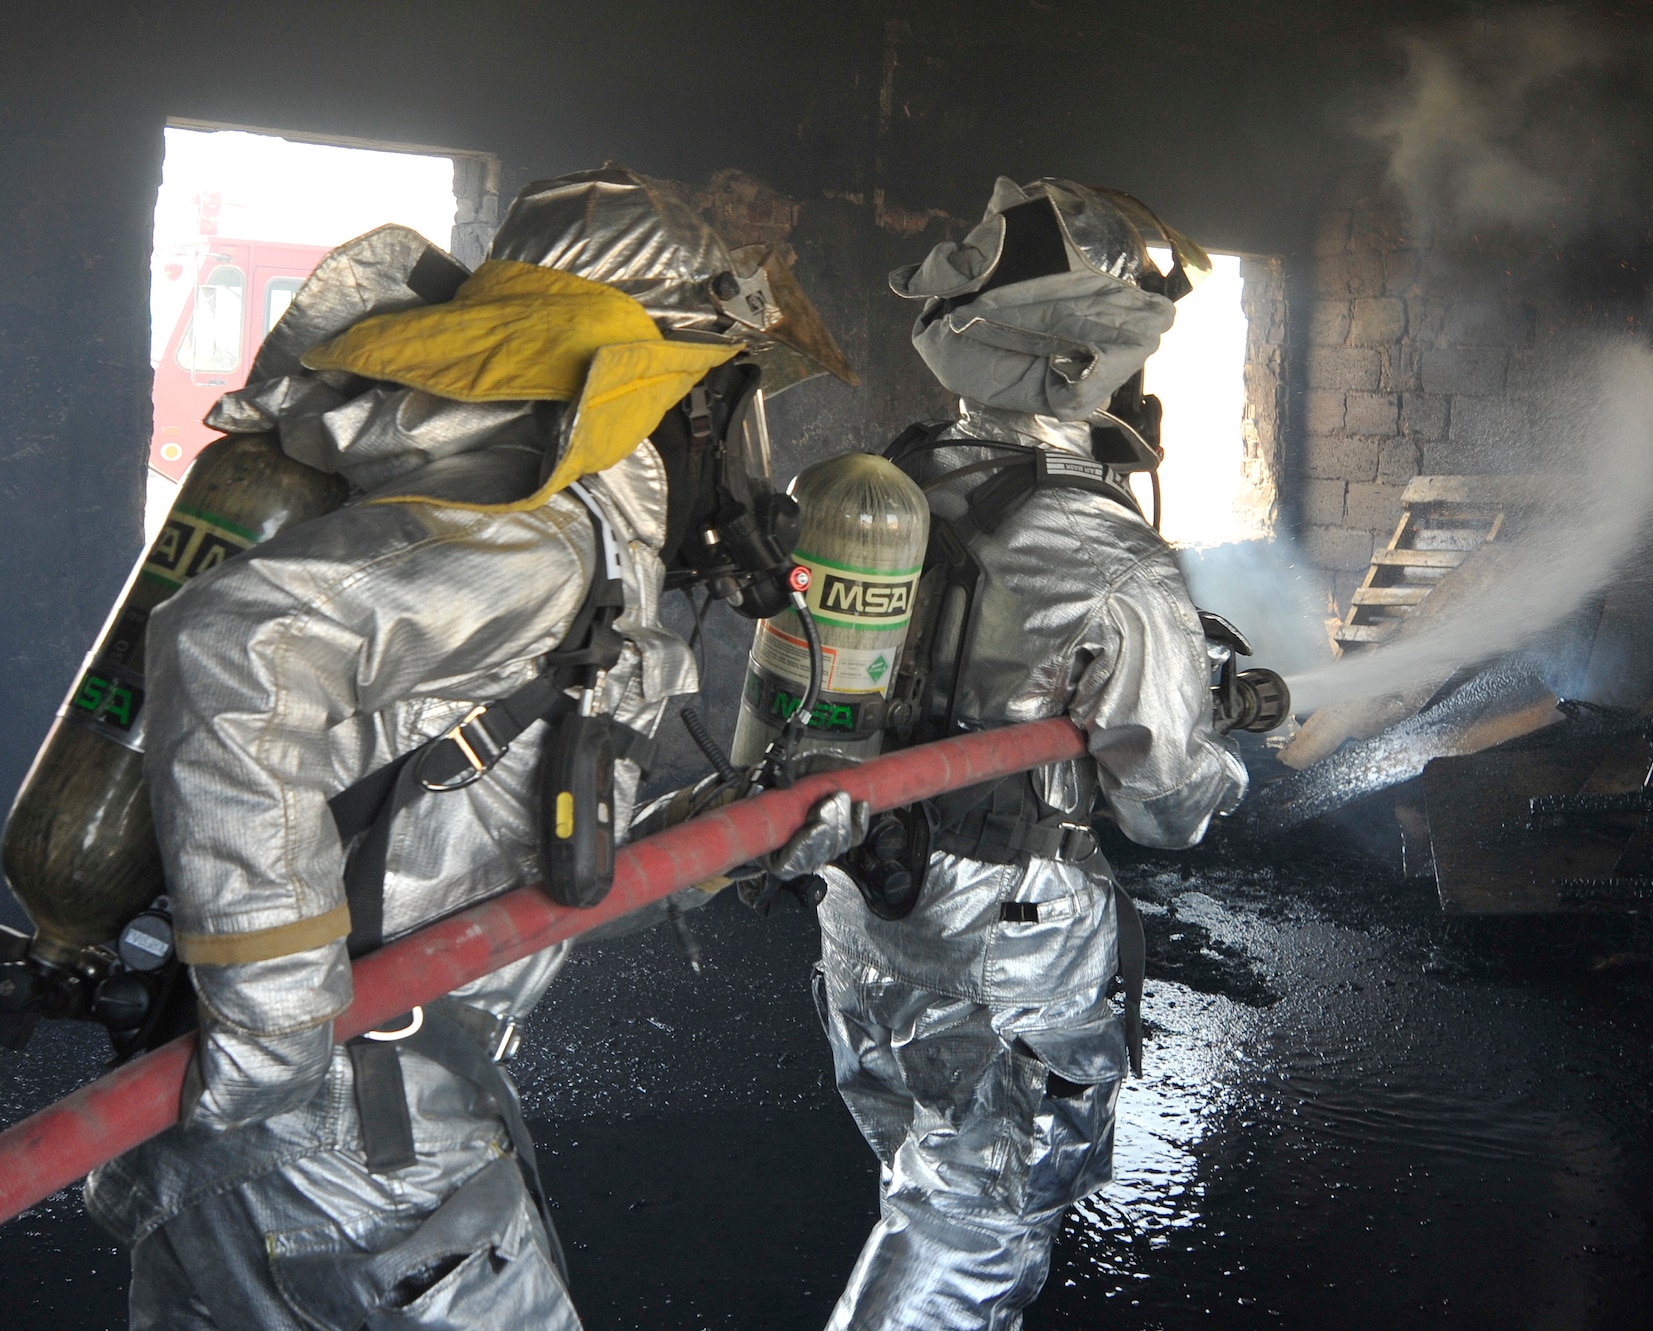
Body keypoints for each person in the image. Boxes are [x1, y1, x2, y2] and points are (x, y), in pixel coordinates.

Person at [83, 166, 851, 1330]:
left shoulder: (518, 526)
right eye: (722, 396)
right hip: (357, 1143)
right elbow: (238, 645)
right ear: (662, 397)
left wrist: (721, 840)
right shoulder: (537, 543)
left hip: (271, 1137)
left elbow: (484, 837)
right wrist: (279, 1022)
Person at [804, 176, 1249, 1331]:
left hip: (862, 893)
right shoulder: (1108, 547)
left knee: (920, 1163)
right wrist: (1221, 757)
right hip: (1010, 926)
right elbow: (1165, 799)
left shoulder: (891, 487)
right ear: (1080, 366)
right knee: (976, 1212)